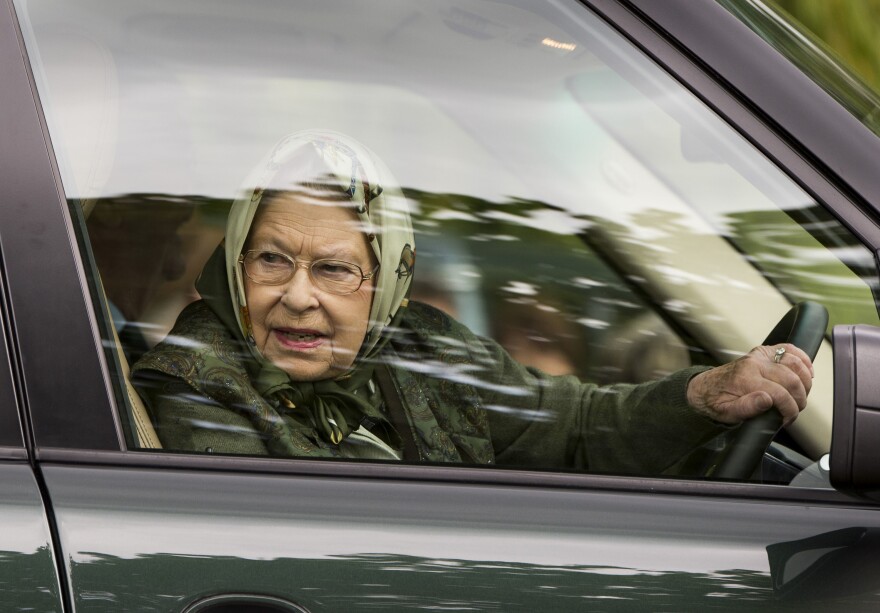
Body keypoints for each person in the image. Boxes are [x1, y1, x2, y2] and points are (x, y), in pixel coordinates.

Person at [131, 130, 813, 474]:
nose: (298, 296)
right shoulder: (196, 378)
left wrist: (702, 396)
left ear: (387, 283)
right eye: (272, 260)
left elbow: (570, 425)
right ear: (236, 266)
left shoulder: (419, 344)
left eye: (335, 270)